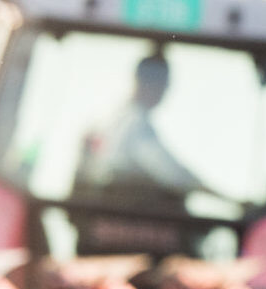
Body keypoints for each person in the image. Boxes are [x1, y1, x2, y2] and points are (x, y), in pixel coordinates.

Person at [78, 53, 213, 208]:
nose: (165, 91)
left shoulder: (106, 117)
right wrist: (218, 196)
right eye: (164, 84)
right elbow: (173, 174)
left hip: (98, 208)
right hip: (124, 212)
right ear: (150, 84)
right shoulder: (136, 124)